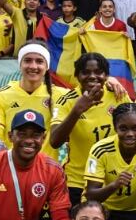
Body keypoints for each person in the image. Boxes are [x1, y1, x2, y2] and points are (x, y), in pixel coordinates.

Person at [49, 53, 131, 206]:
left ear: (106, 75)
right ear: (77, 76)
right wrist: (77, 110)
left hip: (111, 181)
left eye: (98, 72)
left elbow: (133, 131)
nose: (92, 76)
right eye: (86, 72)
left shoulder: (118, 95)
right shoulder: (67, 101)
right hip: (78, 181)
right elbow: (54, 141)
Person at [0, 42, 69, 160]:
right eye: (27, 60)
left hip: (47, 171)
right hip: (13, 169)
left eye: (39, 61)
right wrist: (6, 162)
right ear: (20, 64)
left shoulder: (62, 95)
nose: (33, 66)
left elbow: (87, 97)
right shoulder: (1, 95)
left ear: (47, 66)